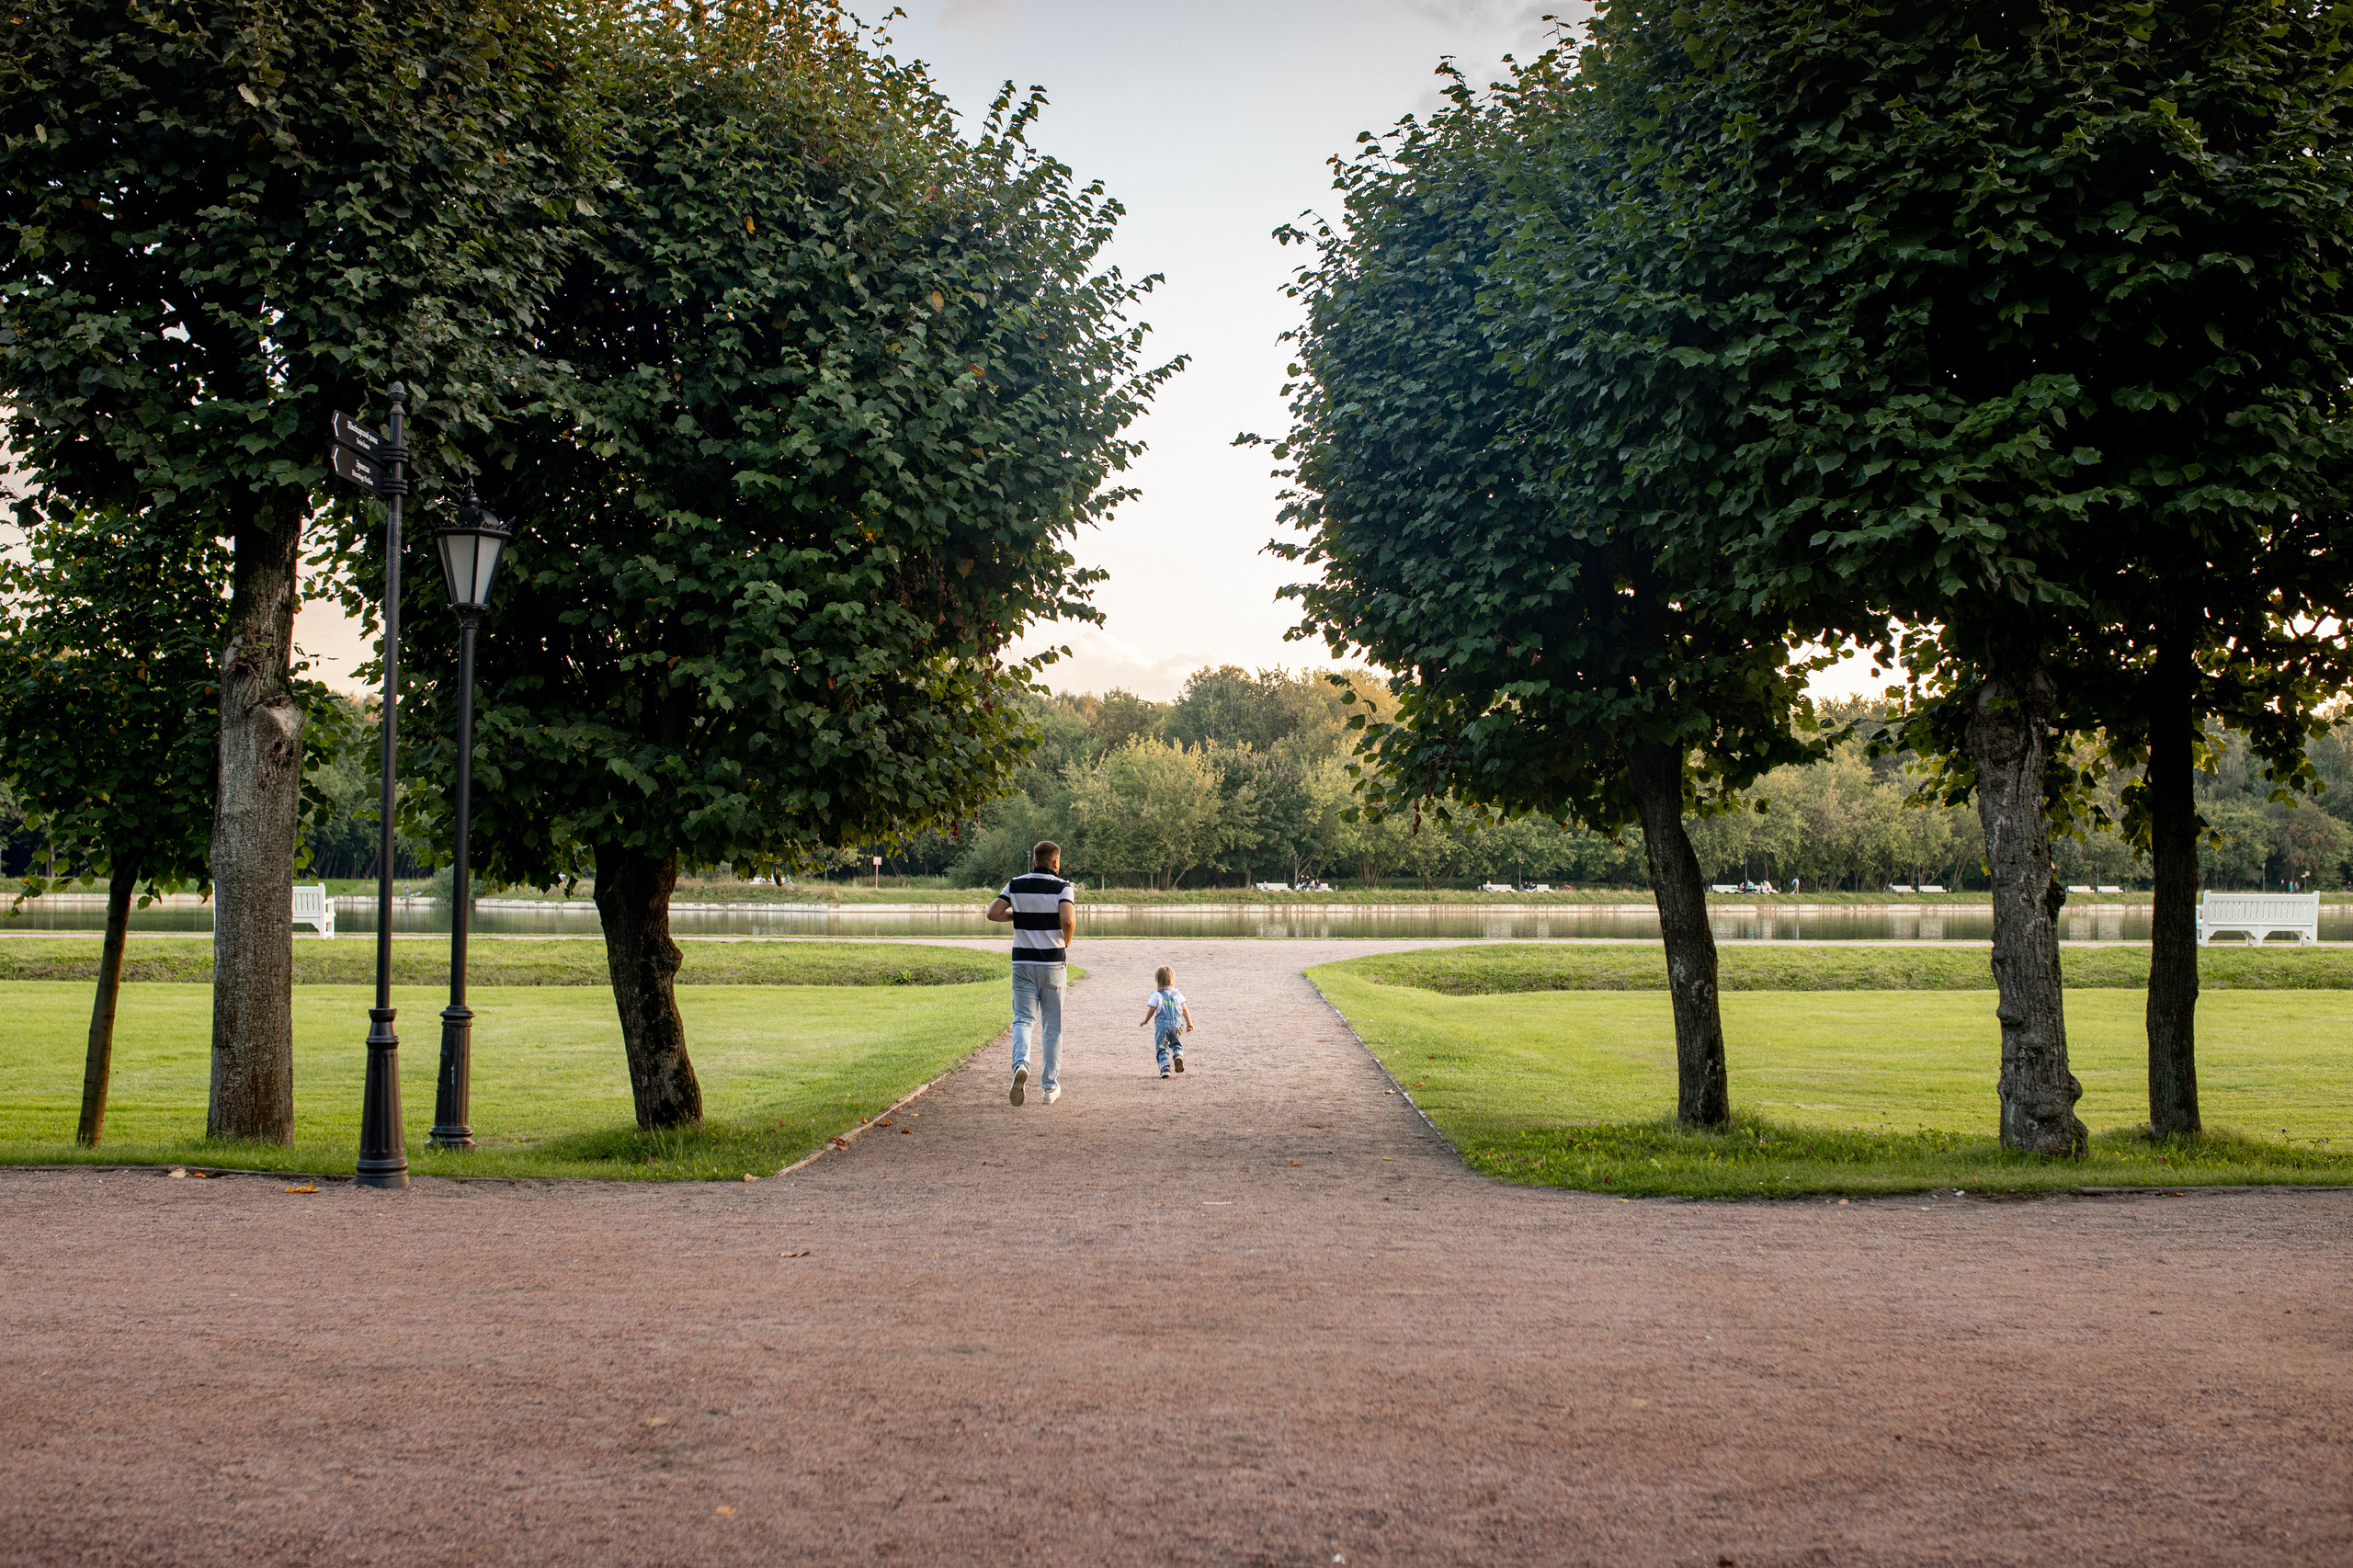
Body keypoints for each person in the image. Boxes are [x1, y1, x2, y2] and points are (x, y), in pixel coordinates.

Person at [986, 840, 1075, 1106]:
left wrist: (1021, 916)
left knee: (1023, 1020)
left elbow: (993, 913)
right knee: (1052, 1026)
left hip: (1022, 963)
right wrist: (1066, 940)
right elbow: (1068, 919)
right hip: (1052, 963)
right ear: (1056, 862)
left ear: (1034, 860)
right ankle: (1049, 1088)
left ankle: (1020, 1066)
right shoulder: (1063, 887)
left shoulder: (1015, 884)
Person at [1136, 964, 1194, 1079]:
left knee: (1162, 1046)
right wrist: (1189, 1023)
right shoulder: (1177, 994)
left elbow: (1152, 1008)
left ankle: (1165, 1068)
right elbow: (1185, 1009)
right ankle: (1178, 1056)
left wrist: (1146, 1020)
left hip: (1162, 1026)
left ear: (1158, 980)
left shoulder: (1156, 995)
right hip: (1177, 1025)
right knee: (1177, 1043)